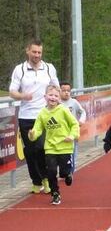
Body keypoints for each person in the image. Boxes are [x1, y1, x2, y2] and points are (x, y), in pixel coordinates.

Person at [9, 39, 59, 194]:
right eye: (34, 52)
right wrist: (23, 96)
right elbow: (12, 92)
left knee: (43, 147)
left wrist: (54, 99)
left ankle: (47, 178)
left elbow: (56, 87)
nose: (37, 55)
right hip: (26, 116)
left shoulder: (49, 68)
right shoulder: (20, 69)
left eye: (39, 52)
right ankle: (36, 181)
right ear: (28, 51)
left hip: (45, 115)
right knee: (30, 151)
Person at [28, 85, 80, 205]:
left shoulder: (63, 110)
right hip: (50, 147)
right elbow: (37, 129)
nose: (53, 98)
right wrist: (32, 135)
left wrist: (72, 136)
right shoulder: (42, 113)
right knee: (51, 172)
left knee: (63, 172)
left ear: (59, 98)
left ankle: (68, 175)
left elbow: (74, 124)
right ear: (45, 97)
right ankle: (55, 193)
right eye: (50, 95)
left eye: (56, 96)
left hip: (65, 146)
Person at [59, 81, 87, 173]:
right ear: (59, 91)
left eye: (68, 90)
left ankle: (71, 170)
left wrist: (81, 120)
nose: (66, 92)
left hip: (72, 131)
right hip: (60, 131)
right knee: (61, 152)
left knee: (72, 151)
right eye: (63, 90)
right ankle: (63, 168)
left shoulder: (74, 102)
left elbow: (82, 112)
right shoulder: (56, 102)